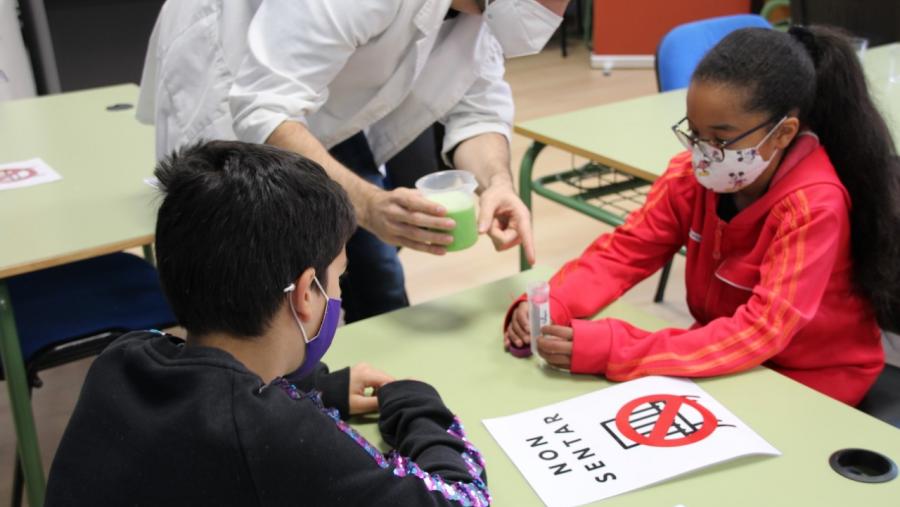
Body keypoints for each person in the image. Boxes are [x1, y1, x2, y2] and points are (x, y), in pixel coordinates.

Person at [45, 141, 490, 506]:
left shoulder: (122, 359)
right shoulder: (271, 433)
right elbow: (463, 500)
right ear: (304, 295)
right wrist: (417, 407)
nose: (337, 296)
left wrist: (321, 391)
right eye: (338, 278)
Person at [503, 26, 900, 406]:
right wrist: (554, 302)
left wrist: (615, 348)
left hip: (811, 378)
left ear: (782, 133)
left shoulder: (813, 206)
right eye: (695, 133)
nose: (704, 153)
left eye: (721, 139)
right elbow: (624, 253)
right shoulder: (691, 178)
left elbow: (762, 331)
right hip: (727, 352)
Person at [137, 0, 570, 322]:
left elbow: (479, 108)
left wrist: (497, 183)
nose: (556, 10)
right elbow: (264, 108)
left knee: (373, 272)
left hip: (327, 91)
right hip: (236, 67)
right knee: (249, 287)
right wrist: (366, 205)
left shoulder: (488, 9)